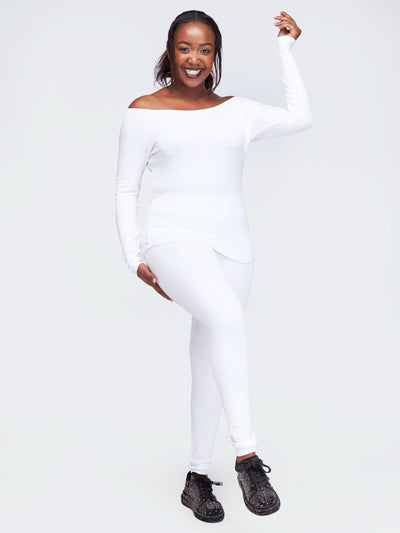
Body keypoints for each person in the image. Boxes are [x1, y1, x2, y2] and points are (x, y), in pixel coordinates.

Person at [115, 9, 313, 523]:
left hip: (235, 249)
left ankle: (197, 478)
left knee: (208, 357)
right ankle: (247, 456)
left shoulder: (237, 111)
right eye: (185, 48)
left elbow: (300, 117)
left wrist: (285, 50)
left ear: (215, 56)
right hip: (172, 240)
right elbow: (126, 189)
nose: (194, 59)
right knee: (228, 320)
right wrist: (134, 256)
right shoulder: (144, 111)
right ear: (170, 51)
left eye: (205, 50)